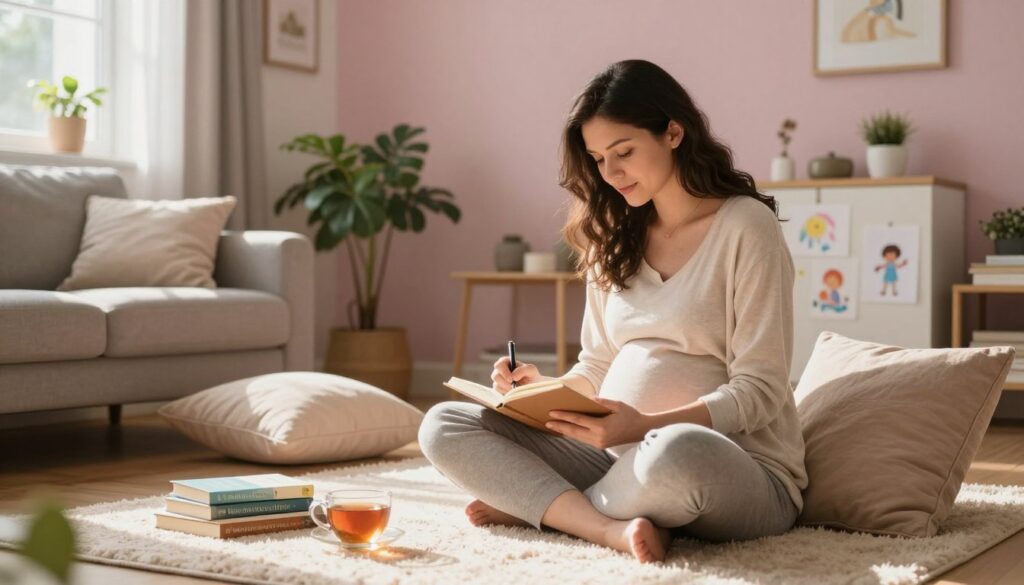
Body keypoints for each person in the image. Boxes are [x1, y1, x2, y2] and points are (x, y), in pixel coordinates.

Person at [418, 59, 807, 564]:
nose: (612, 173)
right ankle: (607, 526)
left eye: (624, 152)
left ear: (673, 133)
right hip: (612, 459)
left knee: (676, 450)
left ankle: (553, 509)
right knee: (443, 424)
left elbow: (761, 390)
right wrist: (540, 392)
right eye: (599, 159)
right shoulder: (612, 238)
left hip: (732, 467)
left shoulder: (746, 228)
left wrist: (643, 424)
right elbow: (597, 367)